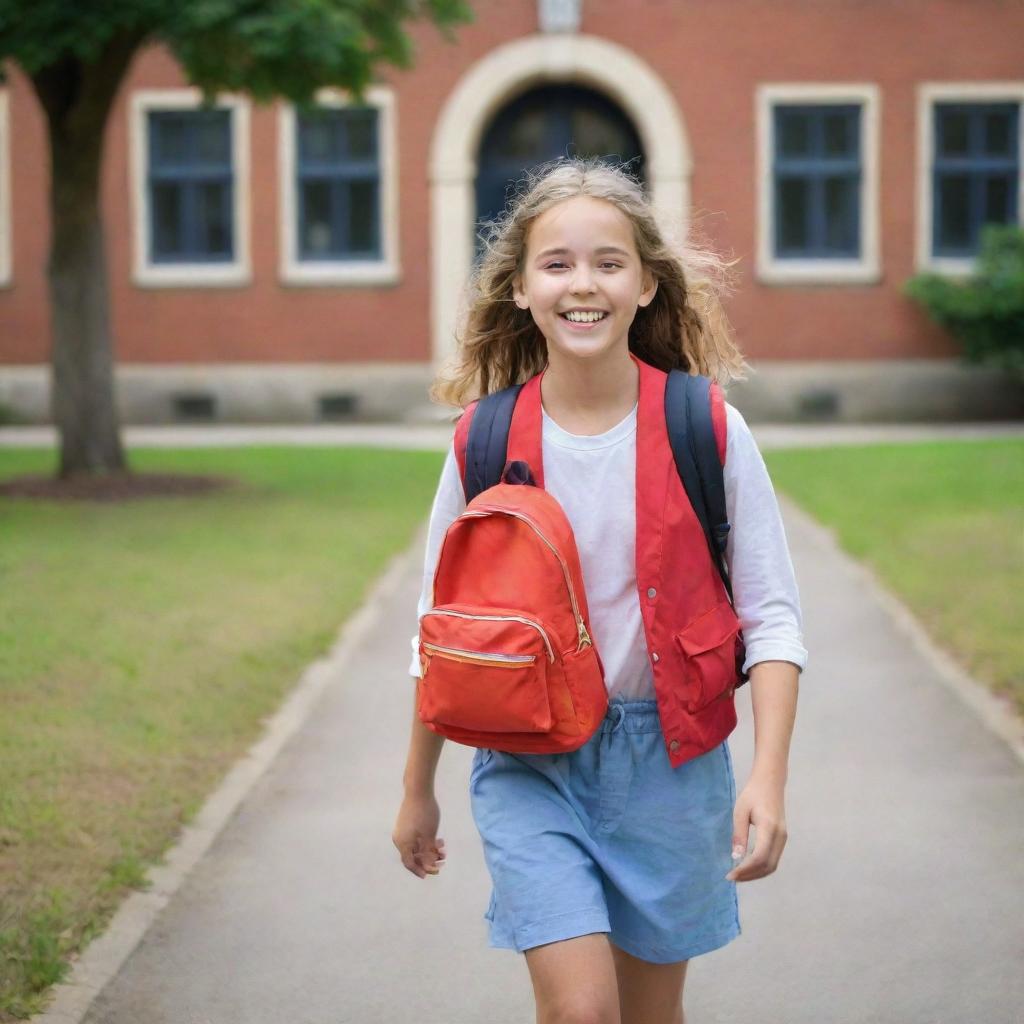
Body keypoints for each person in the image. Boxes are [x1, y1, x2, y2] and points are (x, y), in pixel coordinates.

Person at [392, 156, 808, 1024]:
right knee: (582, 1011)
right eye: (557, 263)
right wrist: (416, 787)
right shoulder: (483, 440)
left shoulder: (707, 426)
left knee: (650, 1015)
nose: (584, 284)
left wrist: (767, 779)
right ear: (519, 289)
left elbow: (771, 619)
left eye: (609, 262)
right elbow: (442, 630)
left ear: (647, 285)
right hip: (529, 764)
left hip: (672, 766)